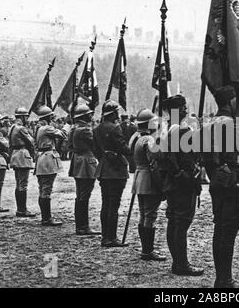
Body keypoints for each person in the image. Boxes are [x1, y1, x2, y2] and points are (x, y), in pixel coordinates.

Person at [204, 86, 239, 288]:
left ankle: (221, 277)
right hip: (233, 183)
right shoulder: (232, 125)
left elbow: (207, 157)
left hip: (217, 181)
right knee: (228, 231)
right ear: (231, 101)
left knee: (219, 228)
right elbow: (238, 156)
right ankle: (225, 279)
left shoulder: (209, 124)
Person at [162, 95, 204, 276]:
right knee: (181, 222)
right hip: (183, 184)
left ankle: (178, 262)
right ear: (176, 110)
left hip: (175, 182)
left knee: (175, 222)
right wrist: (182, 175)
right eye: (183, 107)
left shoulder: (169, 129)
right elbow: (175, 158)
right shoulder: (179, 129)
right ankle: (181, 264)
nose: (186, 110)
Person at [93, 100, 132, 247]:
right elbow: (123, 148)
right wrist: (132, 147)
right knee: (113, 206)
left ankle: (105, 237)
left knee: (105, 204)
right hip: (116, 170)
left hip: (104, 169)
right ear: (114, 113)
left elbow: (95, 150)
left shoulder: (97, 129)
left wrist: (104, 158)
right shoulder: (115, 128)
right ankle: (112, 238)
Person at [130, 108, 166, 261]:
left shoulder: (137, 138)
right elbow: (156, 160)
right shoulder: (149, 140)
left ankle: (146, 249)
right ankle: (147, 250)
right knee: (150, 215)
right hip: (149, 179)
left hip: (139, 177)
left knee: (144, 214)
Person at [68, 104, 101, 235]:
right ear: (85, 116)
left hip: (77, 161)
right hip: (86, 162)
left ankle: (80, 225)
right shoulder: (85, 130)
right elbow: (96, 143)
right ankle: (83, 226)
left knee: (80, 195)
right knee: (84, 195)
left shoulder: (74, 129)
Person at [34, 106, 66, 226]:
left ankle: (45, 217)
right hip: (47, 159)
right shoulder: (47, 128)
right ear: (48, 118)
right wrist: (64, 125)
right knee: (46, 189)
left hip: (41, 158)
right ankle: (47, 219)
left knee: (42, 189)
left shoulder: (39, 128)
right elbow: (63, 135)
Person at [9, 107, 36, 217]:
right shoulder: (21, 128)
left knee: (18, 183)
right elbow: (31, 141)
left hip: (15, 155)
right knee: (23, 184)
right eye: (26, 117)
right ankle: (22, 210)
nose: (27, 119)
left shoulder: (13, 127)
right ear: (22, 117)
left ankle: (20, 208)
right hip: (22, 155)